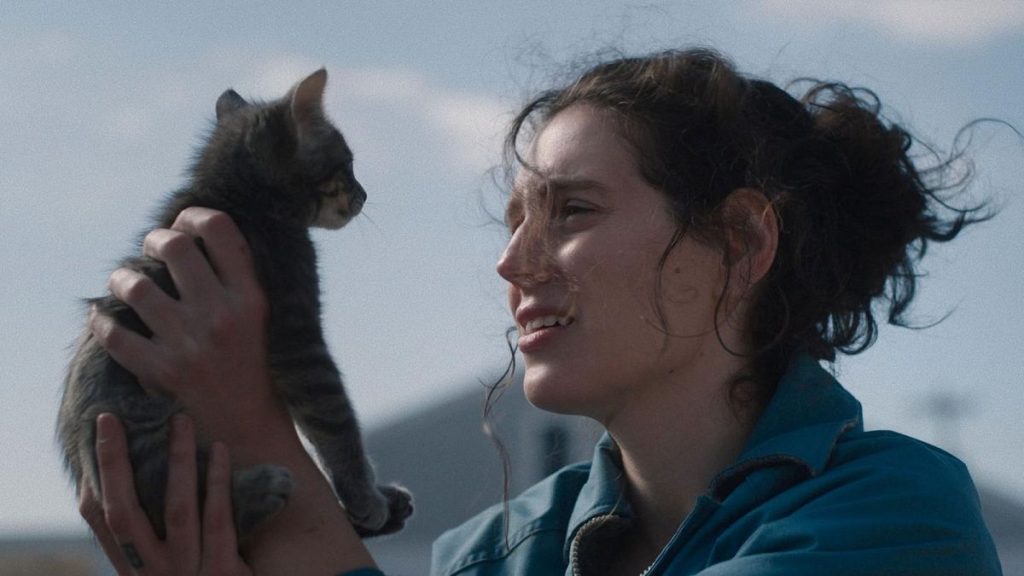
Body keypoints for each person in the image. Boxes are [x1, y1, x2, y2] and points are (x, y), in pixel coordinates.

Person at [81, 47, 1003, 575]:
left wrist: (258, 432)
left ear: (742, 243)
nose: (511, 263)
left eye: (574, 211)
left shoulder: (899, 517)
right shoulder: (488, 556)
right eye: (514, 219)